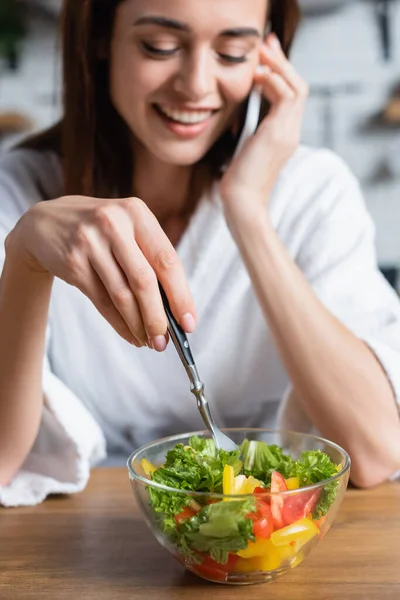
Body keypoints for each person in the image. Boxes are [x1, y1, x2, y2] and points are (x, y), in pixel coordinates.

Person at [1, 0, 400, 508]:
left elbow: (375, 450)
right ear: (100, 39)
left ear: (268, 54)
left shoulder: (313, 191)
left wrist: (248, 211)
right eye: (159, 46)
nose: (196, 84)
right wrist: (25, 260)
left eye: (232, 53)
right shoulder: (19, 196)